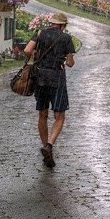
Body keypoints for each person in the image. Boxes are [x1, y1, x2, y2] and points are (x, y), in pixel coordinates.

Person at [24, 12, 76, 169]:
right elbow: (70, 63)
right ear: (62, 25)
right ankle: (49, 145)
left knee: (42, 114)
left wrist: (36, 55)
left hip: (40, 77)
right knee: (59, 116)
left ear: (52, 23)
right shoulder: (66, 38)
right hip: (57, 78)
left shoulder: (39, 33)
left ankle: (44, 145)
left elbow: (27, 50)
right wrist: (68, 60)